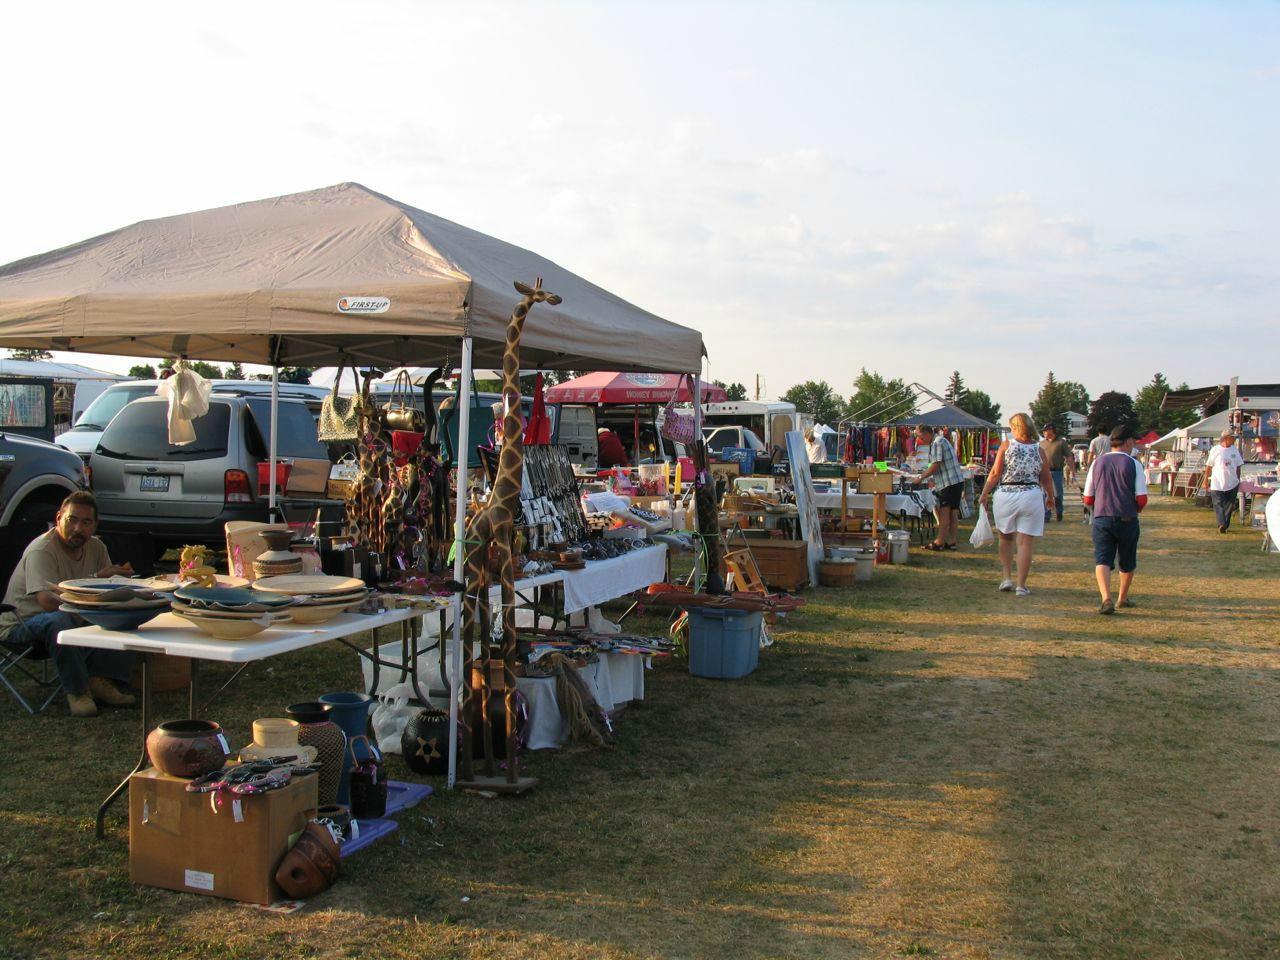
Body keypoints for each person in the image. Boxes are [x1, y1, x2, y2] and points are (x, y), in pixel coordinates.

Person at [0, 491, 137, 717]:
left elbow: (107, 589)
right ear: (58, 519)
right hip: (22, 624)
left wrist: (122, 586)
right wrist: (94, 588)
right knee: (61, 619)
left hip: (75, 618)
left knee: (129, 610)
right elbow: (46, 602)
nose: (77, 528)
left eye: (85, 522)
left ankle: (101, 679)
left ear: (95, 525)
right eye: (71, 520)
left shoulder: (96, 548)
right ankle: (78, 691)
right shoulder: (42, 550)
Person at [977, 413, 1055, 596]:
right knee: (1025, 542)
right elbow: (1046, 477)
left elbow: (996, 473)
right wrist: (1051, 496)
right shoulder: (1039, 449)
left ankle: (1006, 577)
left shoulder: (1007, 446)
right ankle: (1021, 585)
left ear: (1015, 427)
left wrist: (984, 493)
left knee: (1005, 538)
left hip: (1006, 494)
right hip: (1031, 495)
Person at [1083, 425, 1148, 614]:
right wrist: (1135, 509)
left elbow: (1088, 498)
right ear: (1128, 442)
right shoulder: (1133, 463)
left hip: (1102, 517)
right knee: (1127, 560)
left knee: (1102, 559)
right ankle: (1122, 598)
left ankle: (1106, 598)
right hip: (1127, 517)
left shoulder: (1097, 463)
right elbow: (1142, 498)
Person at [915, 423, 964, 551]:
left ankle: (939, 542)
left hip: (948, 482)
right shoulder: (941, 440)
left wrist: (920, 478)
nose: (920, 440)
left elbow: (935, 465)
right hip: (955, 481)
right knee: (953, 512)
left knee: (944, 512)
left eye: (920, 436)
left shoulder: (937, 442)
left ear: (927, 433)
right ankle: (952, 541)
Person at [1203, 429, 1245, 533]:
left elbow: (1239, 466)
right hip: (1217, 482)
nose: (1234, 439)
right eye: (1233, 437)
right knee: (1218, 504)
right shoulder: (1215, 450)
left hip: (1232, 482)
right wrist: (1205, 481)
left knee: (1229, 505)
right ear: (1226, 438)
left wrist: (1238, 479)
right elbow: (1208, 466)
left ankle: (1224, 525)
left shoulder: (1234, 450)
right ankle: (1222, 524)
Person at [1039, 423, 1072, 523]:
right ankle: (1046, 515)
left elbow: (1069, 456)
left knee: (1057, 494)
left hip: (1057, 471)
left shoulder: (1061, 442)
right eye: (1043, 431)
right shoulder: (1041, 444)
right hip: (1044, 472)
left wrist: (1072, 471)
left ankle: (1059, 512)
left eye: (1046, 430)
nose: (1044, 432)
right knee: (1044, 494)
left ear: (1052, 431)